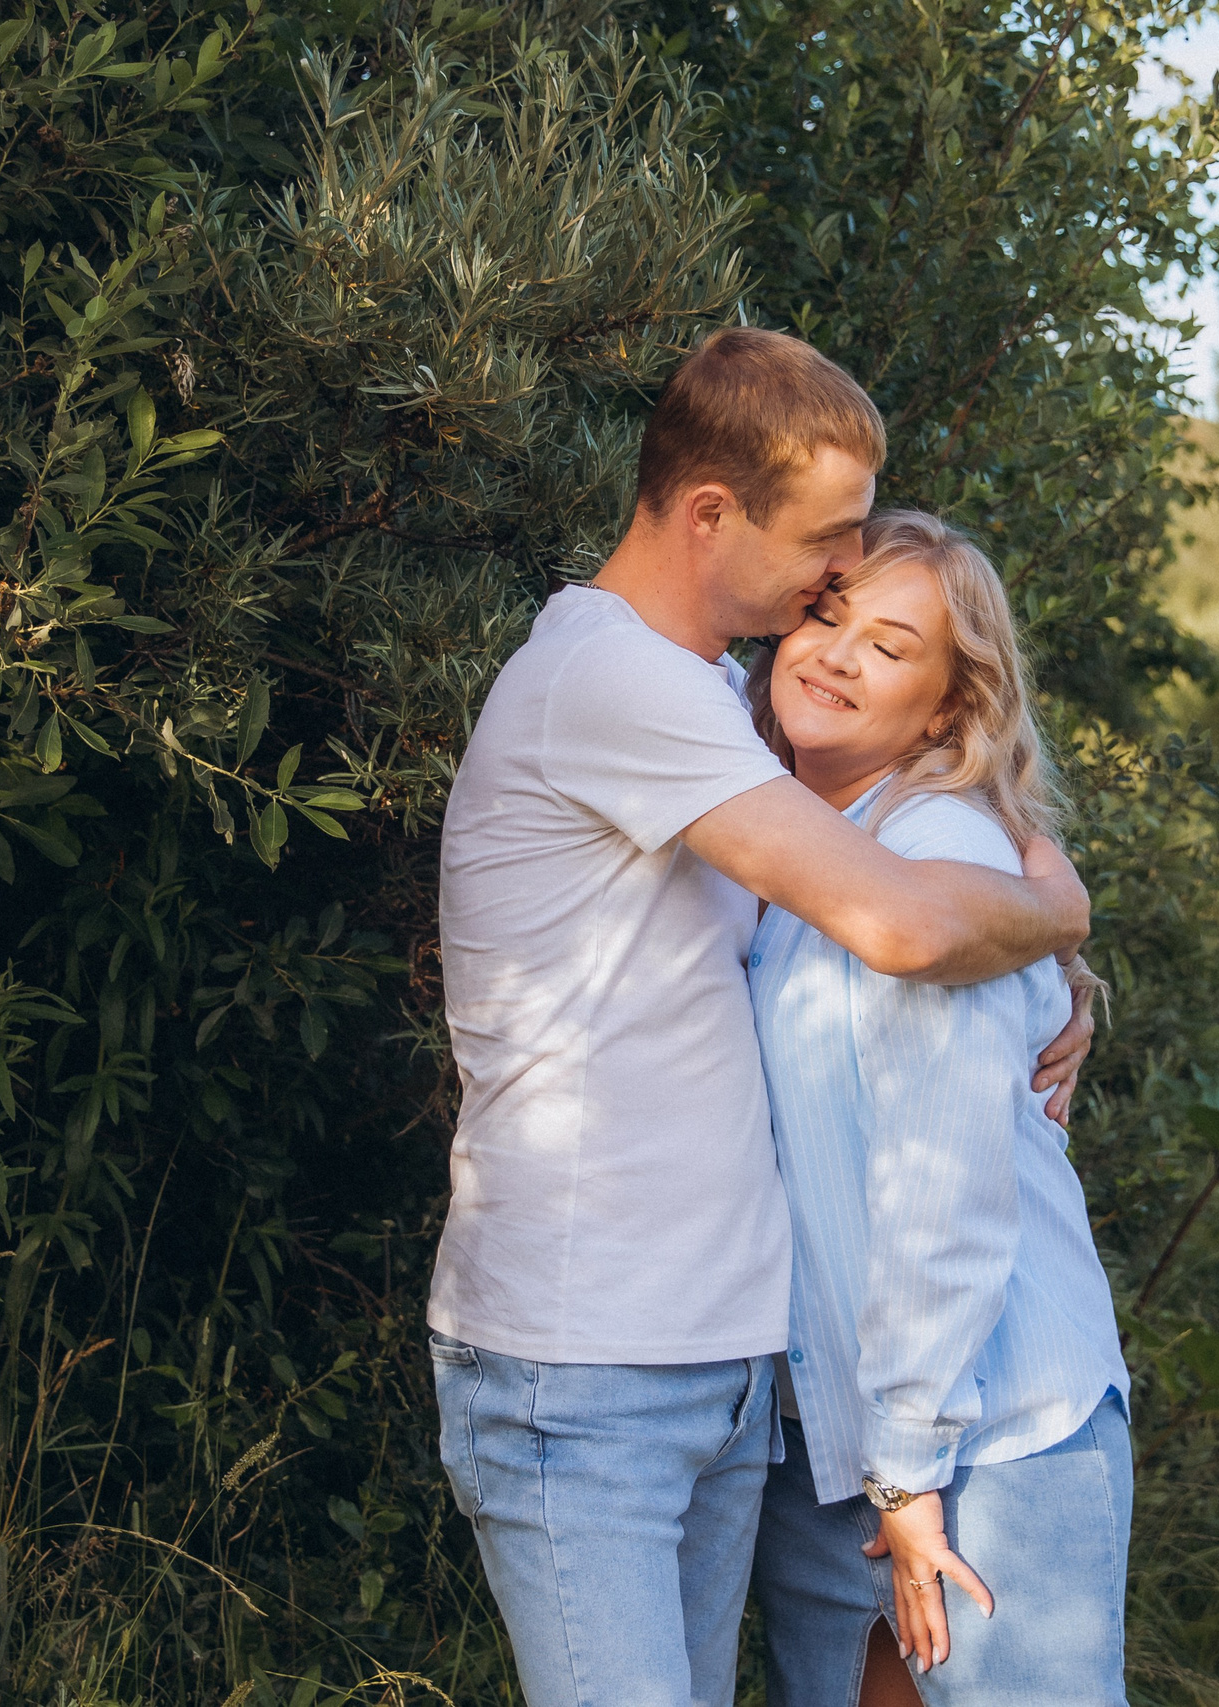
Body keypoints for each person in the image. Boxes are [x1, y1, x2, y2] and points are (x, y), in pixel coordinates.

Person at [428, 329, 1098, 1707]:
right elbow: (903, 925)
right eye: (826, 547)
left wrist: (1053, 979)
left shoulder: (716, 708)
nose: (838, 575)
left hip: (722, 1367)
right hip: (584, 1360)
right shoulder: (610, 681)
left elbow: (873, 902)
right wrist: (1064, 912)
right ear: (713, 514)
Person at [746, 510, 1133, 1707]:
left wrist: (906, 1468)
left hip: (988, 1435)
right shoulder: (792, 836)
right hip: (844, 1444)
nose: (837, 652)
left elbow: (941, 1183)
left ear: (946, 712)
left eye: (890, 644)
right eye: (825, 614)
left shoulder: (933, 849)